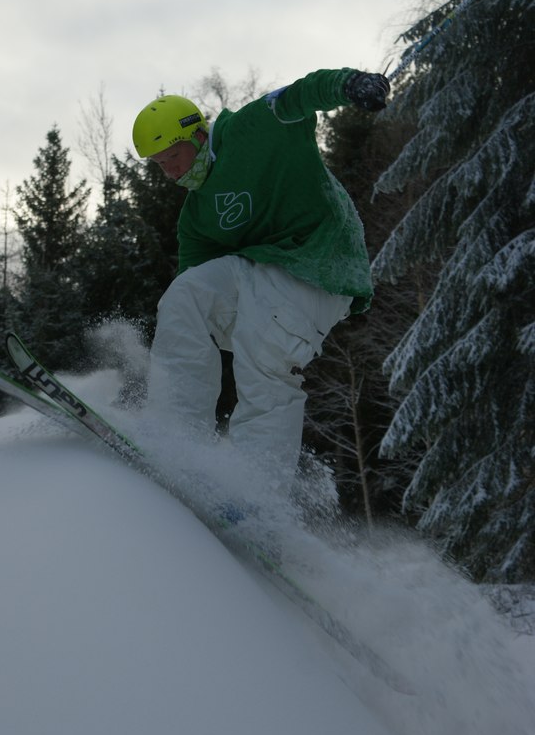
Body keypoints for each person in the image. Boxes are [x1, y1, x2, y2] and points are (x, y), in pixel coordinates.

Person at [132, 68, 389, 490]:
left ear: (196, 136)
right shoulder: (196, 218)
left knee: (264, 349)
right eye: (160, 167)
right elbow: (199, 303)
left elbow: (300, 95)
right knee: (185, 298)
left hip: (323, 263)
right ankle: (174, 438)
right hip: (263, 272)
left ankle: (256, 494)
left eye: (172, 159)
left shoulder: (250, 129)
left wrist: (349, 84)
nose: (171, 175)